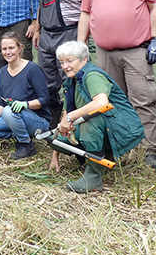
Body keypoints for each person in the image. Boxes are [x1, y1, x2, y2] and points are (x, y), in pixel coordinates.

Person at [78, 0, 156, 167]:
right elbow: (85, 13)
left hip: (136, 50)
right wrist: (81, 44)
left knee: (143, 100)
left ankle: (150, 151)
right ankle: (122, 147)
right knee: (109, 101)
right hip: (104, 53)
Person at [49, 41, 145, 193]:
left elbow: (101, 103)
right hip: (101, 126)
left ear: (84, 59)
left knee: (90, 119)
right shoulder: (70, 82)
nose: (65, 66)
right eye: (62, 62)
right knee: (57, 142)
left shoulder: (92, 75)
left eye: (69, 61)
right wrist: (55, 155)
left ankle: (93, 176)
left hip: (119, 128)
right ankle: (102, 158)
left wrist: (71, 118)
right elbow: (65, 116)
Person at [32, 0, 90, 123]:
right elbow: (42, 3)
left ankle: (75, 121)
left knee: (71, 80)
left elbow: (88, 8)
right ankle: (53, 121)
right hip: (46, 35)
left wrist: (82, 41)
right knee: (47, 82)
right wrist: (37, 29)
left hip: (69, 34)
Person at [0, 32, 51, 160]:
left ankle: (26, 144)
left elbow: (44, 99)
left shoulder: (32, 69)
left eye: (11, 48)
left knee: (8, 111)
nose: (7, 52)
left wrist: (26, 104)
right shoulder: (3, 72)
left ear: (20, 48)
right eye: (4, 49)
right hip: (11, 116)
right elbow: (0, 103)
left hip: (37, 120)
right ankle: (17, 132)